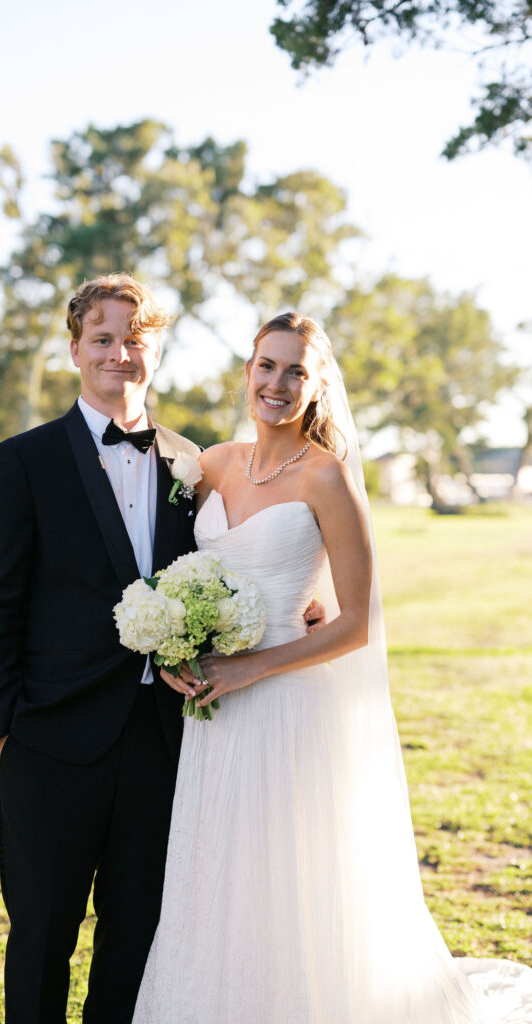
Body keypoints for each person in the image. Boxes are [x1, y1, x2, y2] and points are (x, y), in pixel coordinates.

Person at [132, 313, 532, 1024]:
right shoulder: (212, 465)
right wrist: (176, 650)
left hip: (289, 705)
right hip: (215, 712)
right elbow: (183, 575)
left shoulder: (327, 477)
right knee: (221, 874)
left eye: (294, 372)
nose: (276, 384)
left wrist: (253, 666)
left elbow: (357, 624)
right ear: (247, 370)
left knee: (291, 877)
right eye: (266, 366)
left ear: (316, 387)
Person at [0, 275, 324, 1024]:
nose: (119, 355)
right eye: (103, 339)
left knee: (137, 934)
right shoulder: (22, 461)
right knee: (41, 933)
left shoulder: (193, 466)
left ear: (153, 351)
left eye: (135, 340)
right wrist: (2, 725)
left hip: (164, 743)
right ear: (74, 350)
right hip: (51, 739)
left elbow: (230, 565)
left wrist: (306, 603)